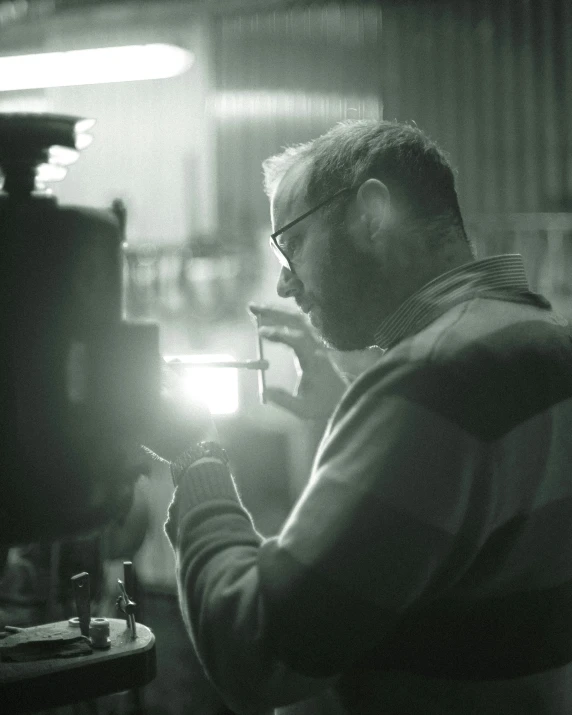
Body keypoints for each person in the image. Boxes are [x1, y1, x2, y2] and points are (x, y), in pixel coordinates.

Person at [148, 120, 572, 714]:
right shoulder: (547, 339)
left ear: (372, 214)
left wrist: (196, 460)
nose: (286, 282)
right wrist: (357, 408)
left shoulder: (428, 385)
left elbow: (259, 651)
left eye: (290, 243)